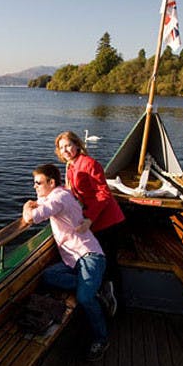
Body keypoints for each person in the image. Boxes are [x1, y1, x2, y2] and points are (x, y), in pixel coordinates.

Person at [22, 163, 109, 361]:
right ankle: (97, 287)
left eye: (38, 183)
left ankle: (101, 339)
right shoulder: (60, 193)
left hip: (89, 256)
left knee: (85, 298)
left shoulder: (59, 197)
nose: (34, 186)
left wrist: (27, 205)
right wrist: (38, 199)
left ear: (51, 182)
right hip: (73, 260)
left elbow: (31, 218)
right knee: (49, 276)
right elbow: (43, 202)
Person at [54, 130, 126, 315]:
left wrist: (89, 219)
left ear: (77, 145)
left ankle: (118, 303)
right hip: (92, 220)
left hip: (108, 220)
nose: (66, 150)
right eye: (62, 148)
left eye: (69, 145)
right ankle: (102, 294)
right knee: (102, 260)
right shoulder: (71, 166)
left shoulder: (89, 164)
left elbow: (103, 193)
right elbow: (70, 191)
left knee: (109, 261)